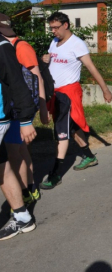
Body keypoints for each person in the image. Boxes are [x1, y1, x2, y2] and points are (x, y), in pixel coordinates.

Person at [40, 12, 112, 190]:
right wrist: (44, 60)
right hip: (55, 93)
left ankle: (55, 174)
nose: (53, 31)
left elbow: (91, 67)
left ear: (66, 25)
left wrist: (105, 89)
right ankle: (89, 156)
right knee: (72, 128)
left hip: (68, 94)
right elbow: (52, 64)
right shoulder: (54, 42)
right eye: (51, 28)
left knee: (61, 133)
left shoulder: (77, 44)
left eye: (56, 27)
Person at [0, 15, 49, 207]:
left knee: (15, 152)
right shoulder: (9, 45)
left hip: (17, 109)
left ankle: (27, 191)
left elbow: (37, 79)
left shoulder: (20, 47)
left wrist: (41, 110)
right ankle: (28, 189)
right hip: (14, 108)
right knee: (17, 151)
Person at [0, 34, 38, 240]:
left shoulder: (2, 46)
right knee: (3, 168)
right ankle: (22, 216)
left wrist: (25, 120)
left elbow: (17, 82)